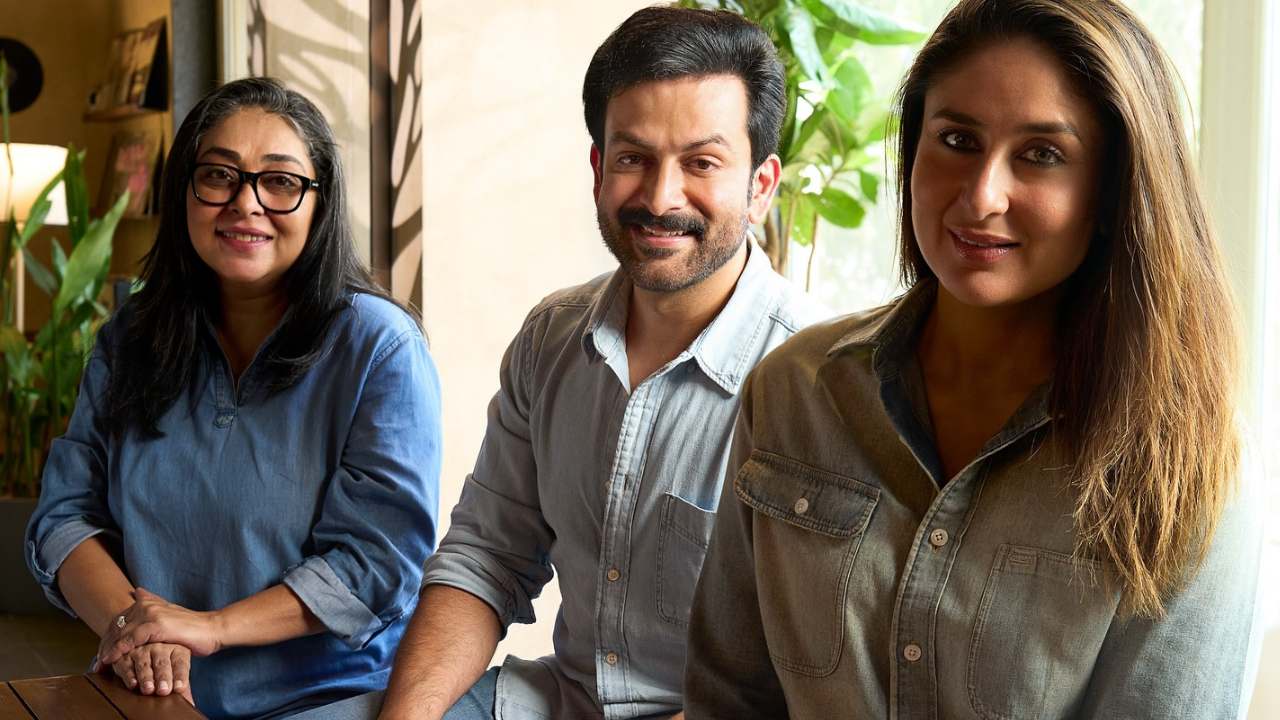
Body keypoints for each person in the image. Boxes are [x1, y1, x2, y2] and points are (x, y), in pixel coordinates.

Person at [683, 0, 1266, 717]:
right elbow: (727, 697)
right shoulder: (794, 390)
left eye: (1042, 154)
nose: (982, 195)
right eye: (957, 139)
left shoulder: (1191, 466)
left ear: (1112, 191)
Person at [371, 7, 828, 720]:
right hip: (557, 700)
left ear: (761, 185)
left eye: (702, 163)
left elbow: (803, 676)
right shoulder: (551, 337)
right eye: (632, 158)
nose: (660, 197)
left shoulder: (817, 383)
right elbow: (486, 558)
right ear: (598, 168)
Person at [25, 77, 442, 720]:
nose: (246, 203)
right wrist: (135, 629)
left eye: (280, 181)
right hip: (149, 688)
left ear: (321, 202)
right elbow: (64, 519)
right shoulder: (131, 335)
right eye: (219, 175)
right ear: (183, 191)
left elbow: (375, 563)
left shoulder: (380, 347)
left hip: (324, 698)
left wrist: (209, 628)